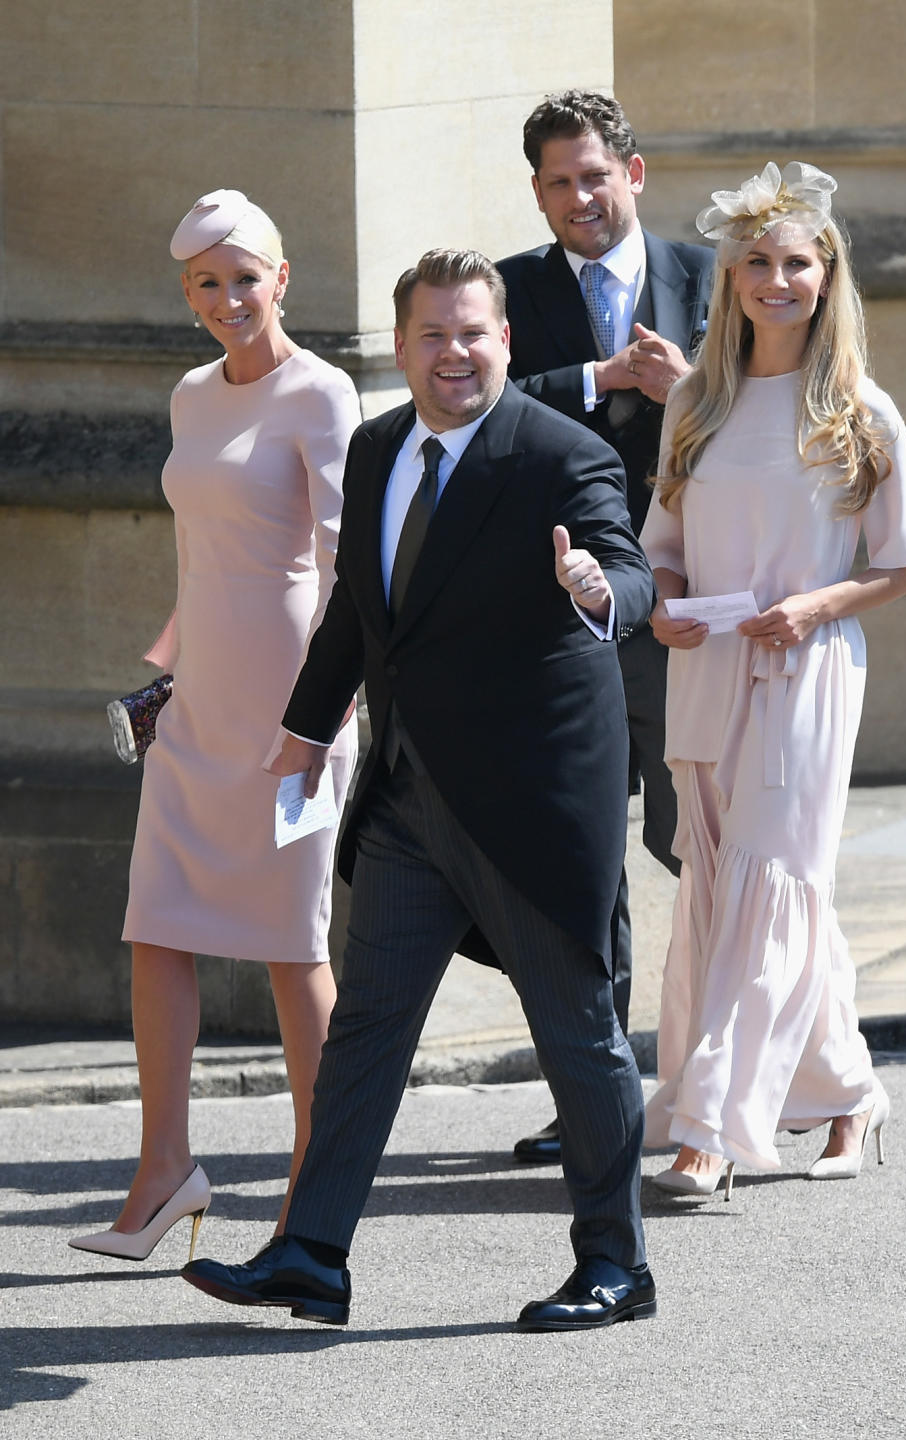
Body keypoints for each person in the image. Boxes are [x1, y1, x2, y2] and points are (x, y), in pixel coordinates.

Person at [180, 248, 658, 1332]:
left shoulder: (560, 455)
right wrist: (305, 728)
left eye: (476, 332)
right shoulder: (379, 444)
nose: (456, 352)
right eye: (434, 334)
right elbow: (360, 611)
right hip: (404, 802)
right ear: (401, 347)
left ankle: (617, 1264)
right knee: (367, 1032)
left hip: (528, 805)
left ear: (507, 340)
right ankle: (311, 1253)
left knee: (576, 1032)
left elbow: (627, 572)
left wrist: (597, 591)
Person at [69, 190, 361, 1261]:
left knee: (293, 947)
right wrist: (168, 674)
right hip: (202, 701)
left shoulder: (324, 393)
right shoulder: (193, 396)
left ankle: (311, 1191)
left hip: (295, 702)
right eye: (208, 282)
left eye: (247, 277)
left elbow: (347, 571)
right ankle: (163, 1174)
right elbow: (207, 554)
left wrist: (322, 720)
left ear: (282, 279)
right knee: (158, 927)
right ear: (187, 295)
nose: (230, 298)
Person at [638, 162, 906, 1196]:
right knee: (744, 895)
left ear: (827, 275)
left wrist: (814, 606)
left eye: (795, 262)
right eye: (756, 262)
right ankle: (849, 1094)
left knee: (770, 882)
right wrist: (666, 604)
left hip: (810, 671)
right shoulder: (694, 401)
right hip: (707, 668)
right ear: (730, 280)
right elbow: (662, 545)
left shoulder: (862, 410)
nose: (775, 279)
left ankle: (707, 1132)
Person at [497, 88, 714, 1162]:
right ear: (538, 195)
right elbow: (480, 403)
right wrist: (599, 375)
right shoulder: (507, 291)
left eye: (594, 174)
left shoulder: (716, 279)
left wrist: (686, 394)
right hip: (558, 617)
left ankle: (725, 1074)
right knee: (579, 865)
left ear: (633, 173)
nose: (580, 196)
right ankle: (597, 1092)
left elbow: (784, 418)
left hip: (681, 614)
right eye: (557, 182)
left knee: (699, 845)